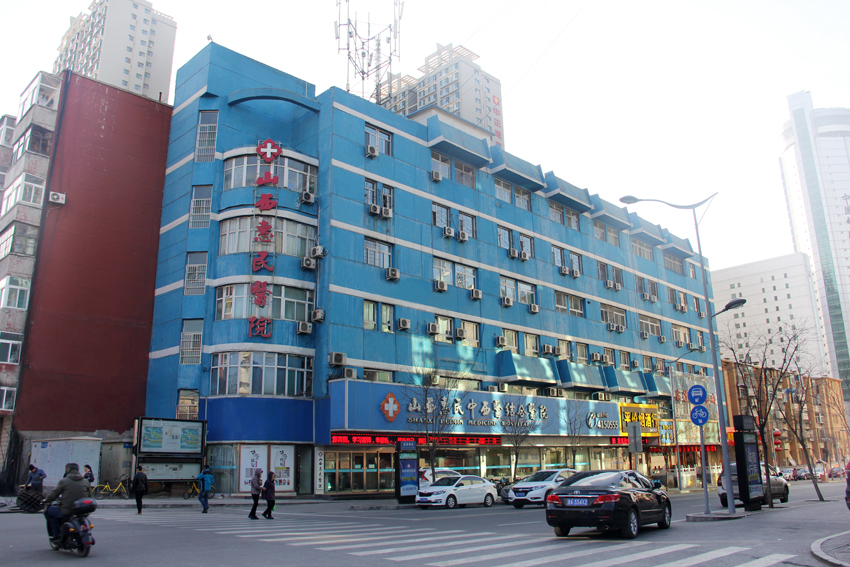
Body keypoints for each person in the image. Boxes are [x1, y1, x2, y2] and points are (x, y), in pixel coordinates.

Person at [43, 463, 91, 541]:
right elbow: (90, 496)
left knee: (48, 512)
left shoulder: (64, 481)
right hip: (82, 510)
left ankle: (56, 534)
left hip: (67, 510)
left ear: (68, 470)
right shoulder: (86, 482)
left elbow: (54, 494)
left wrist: (46, 500)